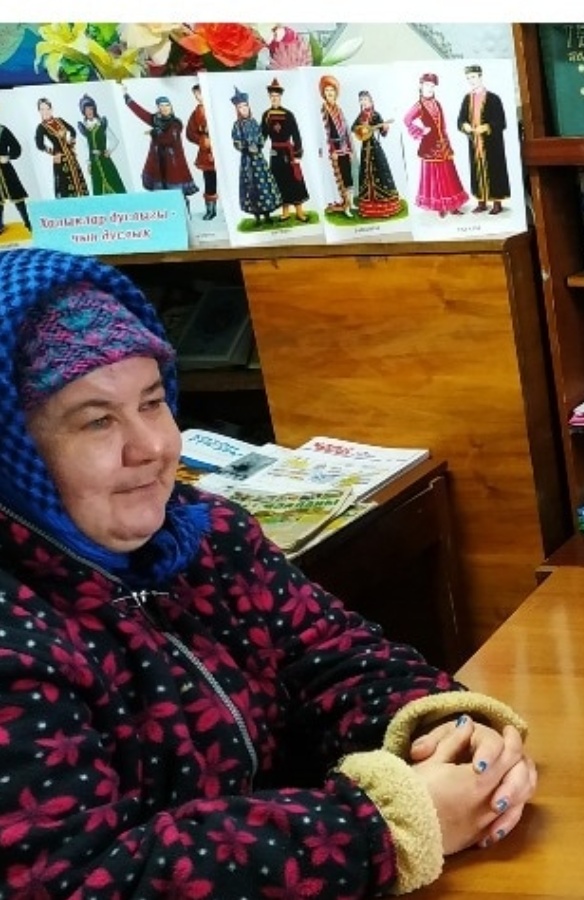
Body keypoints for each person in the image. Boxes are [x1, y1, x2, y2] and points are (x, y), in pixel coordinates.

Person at [0, 248, 537, 897]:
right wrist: (384, 826)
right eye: (96, 421)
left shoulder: (208, 536)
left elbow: (335, 655)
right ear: (15, 449)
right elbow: (80, 880)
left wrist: (447, 734)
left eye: (152, 402)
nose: (152, 447)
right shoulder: (17, 634)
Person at [121, 85, 198, 213]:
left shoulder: (176, 123)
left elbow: (169, 139)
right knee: (162, 194)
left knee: (176, 192)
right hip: (158, 163)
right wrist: (127, 97)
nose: (165, 108)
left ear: (171, 107)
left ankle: (184, 213)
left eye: (167, 105)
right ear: (158, 108)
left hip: (173, 164)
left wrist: (154, 133)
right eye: (161, 106)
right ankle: (168, 215)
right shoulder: (156, 120)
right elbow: (141, 113)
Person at [403, 73, 468, 218]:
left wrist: (446, 140)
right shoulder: (419, 105)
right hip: (430, 146)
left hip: (443, 145)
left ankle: (453, 206)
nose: (430, 88)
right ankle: (440, 207)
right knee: (435, 177)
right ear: (421, 86)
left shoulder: (437, 103)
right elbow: (407, 119)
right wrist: (421, 131)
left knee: (449, 175)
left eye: (432, 86)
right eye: (427, 85)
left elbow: (442, 125)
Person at [457, 64, 510, 215]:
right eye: (468, 78)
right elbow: (460, 120)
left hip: (492, 144)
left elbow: (501, 122)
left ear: (480, 76)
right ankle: (481, 202)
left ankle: (497, 203)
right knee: (477, 171)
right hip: (474, 143)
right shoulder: (467, 99)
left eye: (473, 77)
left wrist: (486, 127)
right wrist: (465, 125)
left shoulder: (493, 98)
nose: (471, 80)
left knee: (494, 170)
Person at [229, 86, 283, 228]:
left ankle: (267, 215)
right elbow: (236, 142)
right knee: (251, 186)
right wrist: (246, 147)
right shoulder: (237, 126)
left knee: (264, 184)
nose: (244, 109)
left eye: (245, 106)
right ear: (237, 110)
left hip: (259, 159)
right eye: (240, 107)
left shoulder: (254, 122)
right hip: (248, 161)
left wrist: (258, 145)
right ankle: (257, 217)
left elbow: (261, 137)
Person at [261, 78, 311, 223]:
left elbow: (296, 135)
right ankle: (285, 212)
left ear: (280, 97)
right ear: (269, 97)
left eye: (276, 96)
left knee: (294, 180)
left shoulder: (288, 114)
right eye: (272, 96)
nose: (274, 99)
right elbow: (262, 135)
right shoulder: (266, 115)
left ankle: (300, 212)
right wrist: (257, 147)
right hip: (275, 153)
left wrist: (297, 154)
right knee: (279, 181)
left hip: (288, 153)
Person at [352, 89, 404, 219]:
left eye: (365, 99)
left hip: (374, 147)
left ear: (370, 100)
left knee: (380, 170)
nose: (363, 102)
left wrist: (385, 128)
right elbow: (354, 128)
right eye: (361, 100)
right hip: (365, 148)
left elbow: (383, 133)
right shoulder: (361, 116)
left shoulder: (376, 115)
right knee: (365, 173)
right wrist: (361, 130)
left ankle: (384, 204)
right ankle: (368, 203)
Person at [33, 98, 89, 199]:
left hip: (71, 156)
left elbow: (72, 131)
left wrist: (71, 144)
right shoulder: (41, 127)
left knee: (78, 179)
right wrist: (54, 153)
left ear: (51, 109)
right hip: (61, 159)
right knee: (65, 183)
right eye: (42, 109)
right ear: (39, 111)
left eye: (47, 108)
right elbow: (39, 145)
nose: (45, 112)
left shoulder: (59, 120)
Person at [320, 74, 356, 217]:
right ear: (323, 93)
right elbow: (326, 132)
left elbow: (346, 131)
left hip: (344, 148)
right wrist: (333, 150)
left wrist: (350, 149)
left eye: (332, 90)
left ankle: (351, 203)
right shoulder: (324, 110)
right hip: (334, 150)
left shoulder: (339, 110)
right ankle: (344, 205)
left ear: (336, 93)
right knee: (340, 177)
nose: (329, 93)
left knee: (348, 176)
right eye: (327, 90)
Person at [75, 94, 125, 196]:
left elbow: (115, 140)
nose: (89, 112)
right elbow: (86, 147)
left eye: (90, 109)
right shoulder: (85, 128)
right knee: (98, 186)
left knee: (113, 182)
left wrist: (109, 150)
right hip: (94, 163)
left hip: (105, 160)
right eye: (86, 110)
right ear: (84, 112)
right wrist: (88, 163)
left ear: (94, 109)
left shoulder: (102, 124)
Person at [185, 82, 218, 220]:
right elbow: (189, 133)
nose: (199, 96)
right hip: (206, 154)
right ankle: (211, 210)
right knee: (210, 181)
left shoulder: (217, 108)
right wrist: (202, 140)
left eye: (201, 92)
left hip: (221, 152)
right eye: (196, 94)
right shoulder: (196, 114)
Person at [0, 118, 32, 234]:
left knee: (17, 196)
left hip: (6, 170)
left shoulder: (2, 130)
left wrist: (8, 156)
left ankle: (28, 223)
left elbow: (16, 148)